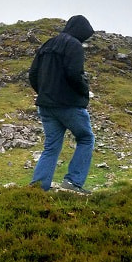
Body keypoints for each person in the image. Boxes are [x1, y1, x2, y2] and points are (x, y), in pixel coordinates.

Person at [28, 15, 95, 194]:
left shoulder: (47, 45)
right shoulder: (74, 45)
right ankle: (73, 182)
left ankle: (38, 188)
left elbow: (33, 75)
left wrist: (44, 92)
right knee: (86, 138)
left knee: (51, 146)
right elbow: (74, 74)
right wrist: (84, 91)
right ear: (80, 30)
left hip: (46, 105)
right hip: (69, 105)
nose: (84, 40)